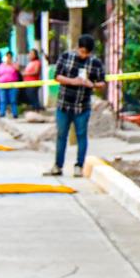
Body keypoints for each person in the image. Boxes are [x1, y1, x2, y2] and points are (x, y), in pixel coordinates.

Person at [45, 34, 105, 177]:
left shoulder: (95, 63)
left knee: (81, 135)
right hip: (64, 105)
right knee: (61, 135)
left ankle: (79, 165)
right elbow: (57, 76)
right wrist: (73, 81)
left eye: (87, 53)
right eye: (82, 51)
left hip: (82, 106)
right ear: (78, 48)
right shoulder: (66, 57)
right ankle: (58, 165)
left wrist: (92, 84)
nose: (84, 55)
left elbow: (102, 82)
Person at [0, 51, 21, 119]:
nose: (8, 58)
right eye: (7, 57)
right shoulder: (1, 65)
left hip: (12, 84)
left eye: (10, 57)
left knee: (13, 100)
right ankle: (2, 113)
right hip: (2, 85)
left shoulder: (14, 65)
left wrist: (12, 64)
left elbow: (18, 70)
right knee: (3, 100)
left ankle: (15, 113)